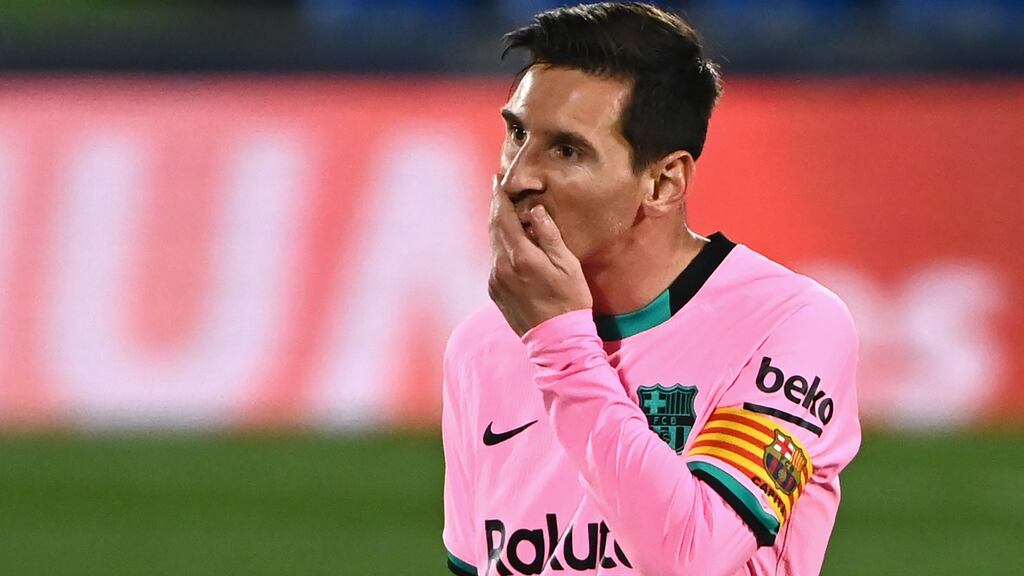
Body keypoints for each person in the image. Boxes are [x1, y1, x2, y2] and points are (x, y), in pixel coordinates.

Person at [442, 3, 860, 575]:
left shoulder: (790, 325)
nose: (517, 178)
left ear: (663, 182)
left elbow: (689, 556)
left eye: (566, 150)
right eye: (516, 133)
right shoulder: (480, 348)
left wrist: (559, 346)